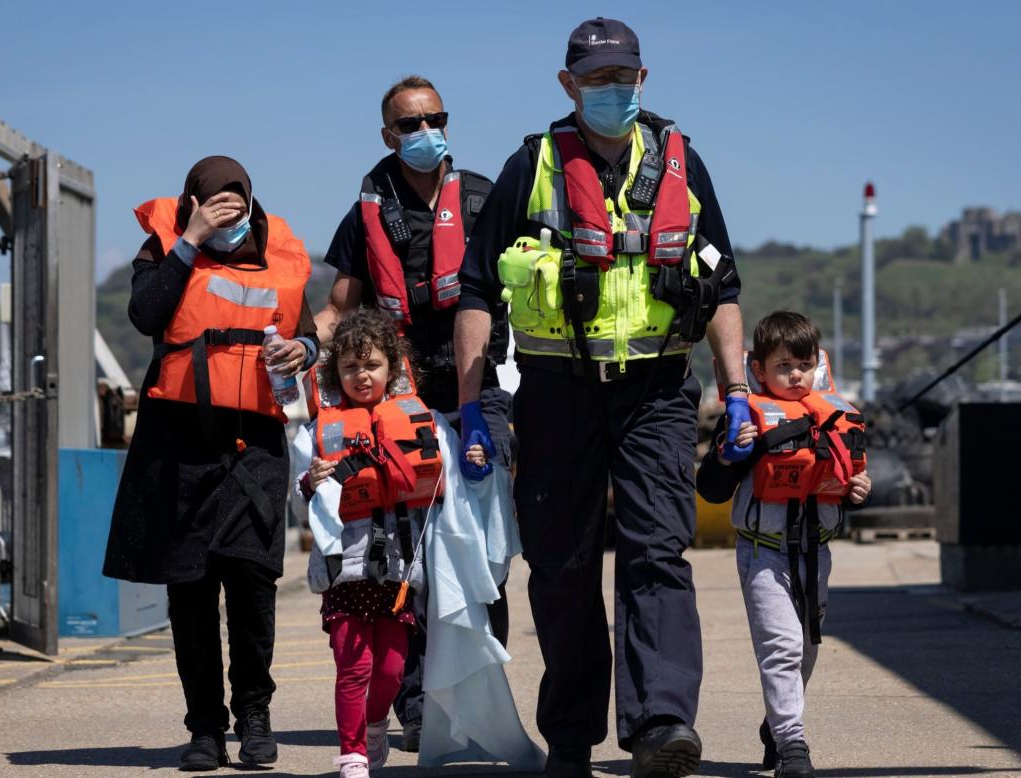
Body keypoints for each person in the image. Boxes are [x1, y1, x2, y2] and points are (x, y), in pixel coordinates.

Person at [452, 18, 754, 778]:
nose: (610, 91)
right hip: (556, 392)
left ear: (643, 79)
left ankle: (661, 725)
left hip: (656, 390)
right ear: (567, 85)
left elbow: (720, 286)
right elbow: (477, 291)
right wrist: (469, 403)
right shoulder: (532, 166)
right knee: (562, 565)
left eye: (621, 77)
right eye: (594, 80)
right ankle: (571, 737)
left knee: (658, 552)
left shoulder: (684, 165)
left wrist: (739, 390)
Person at [315, 74, 513, 751]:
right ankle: (419, 703)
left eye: (435, 118)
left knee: (482, 554)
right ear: (387, 135)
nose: (425, 132)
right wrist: (293, 345)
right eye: (409, 124)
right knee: (407, 557)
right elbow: (338, 310)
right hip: (401, 401)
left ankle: (479, 698)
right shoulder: (365, 212)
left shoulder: (486, 199)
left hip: (479, 392)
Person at [102, 156, 319, 771]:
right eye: (213, 203)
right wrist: (191, 241)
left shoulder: (279, 251)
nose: (228, 213)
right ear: (191, 202)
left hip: (254, 444)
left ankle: (255, 714)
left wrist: (299, 350)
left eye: (236, 203)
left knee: (252, 585)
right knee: (191, 593)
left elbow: (308, 334)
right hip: (179, 445)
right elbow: (146, 313)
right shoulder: (167, 244)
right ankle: (204, 727)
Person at [292, 310, 539, 777]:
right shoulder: (316, 434)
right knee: (354, 666)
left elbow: (457, 477)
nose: (361, 376)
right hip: (346, 572)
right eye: (349, 368)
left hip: (401, 574)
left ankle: (375, 724)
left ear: (393, 367)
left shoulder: (424, 422)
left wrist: (475, 455)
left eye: (371, 366)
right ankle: (352, 755)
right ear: (334, 375)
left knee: (390, 668)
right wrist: (311, 480)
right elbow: (299, 487)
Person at [697, 311, 871, 778]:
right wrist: (728, 452)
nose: (796, 375)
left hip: (816, 552)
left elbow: (841, 483)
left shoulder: (831, 416)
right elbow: (711, 489)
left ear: (818, 364)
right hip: (763, 552)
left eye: (804, 365)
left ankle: (776, 725)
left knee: (808, 648)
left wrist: (857, 492)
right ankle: (793, 744)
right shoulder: (748, 420)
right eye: (783, 366)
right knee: (783, 646)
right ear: (759, 370)